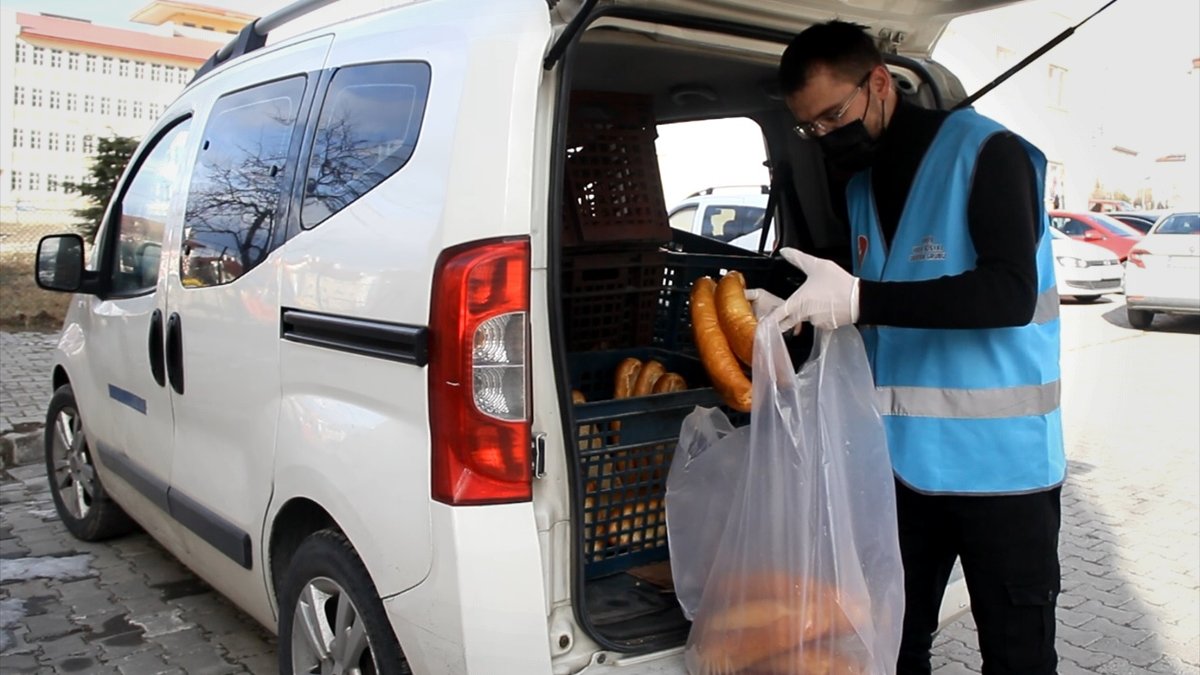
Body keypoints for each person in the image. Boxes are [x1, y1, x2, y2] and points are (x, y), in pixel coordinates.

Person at [760, 20, 1065, 675]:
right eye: (810, 128)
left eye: (833, 115)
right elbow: (868, 299)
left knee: (1018, 658)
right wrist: (793, 311)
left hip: (1001, 471)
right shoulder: (861, 187)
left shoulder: (989, 155)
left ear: (878, 82)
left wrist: (860, 301)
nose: (826, 135)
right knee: (893, 648)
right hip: (898, 471)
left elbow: (1009, 294)